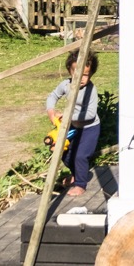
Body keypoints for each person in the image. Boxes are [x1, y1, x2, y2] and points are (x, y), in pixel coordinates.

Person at [46, 52, 100, 196]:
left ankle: (80, 185)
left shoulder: (90, 90)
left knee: (81, 156)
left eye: (85, 75)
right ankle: (77, 174)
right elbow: (53, 96)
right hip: (72, 126)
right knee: (63, 152)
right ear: (70, 71)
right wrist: (51, 111)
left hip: (89, 128)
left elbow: (90, 114)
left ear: (91, 73)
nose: (81, 79)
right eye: (77, 74)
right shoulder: (66, 85)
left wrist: (69, 116)